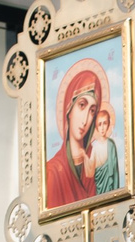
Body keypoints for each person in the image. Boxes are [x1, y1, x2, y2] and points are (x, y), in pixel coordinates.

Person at [44, 61, 119, 207]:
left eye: (92, 111)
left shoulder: (98, 157)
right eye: (82, 105)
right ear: (68, 109)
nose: (85, 120)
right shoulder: (52, 172)